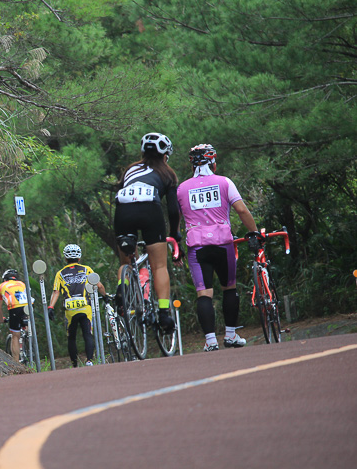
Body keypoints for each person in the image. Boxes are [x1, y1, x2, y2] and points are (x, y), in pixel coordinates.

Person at [177, 144, 262, 351]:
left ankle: (210, 341)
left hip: (197, 247)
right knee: (229, 288)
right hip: (223, 243)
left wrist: (175, 246)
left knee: (204, 293)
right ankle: (231, 335)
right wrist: (254, 232)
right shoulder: (224, 182)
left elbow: (176, 220)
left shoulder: (182, 188)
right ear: (213, 162)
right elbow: (241, 209)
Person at [113, 132, 181, 334]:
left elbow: (119, 190)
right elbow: (173, 210)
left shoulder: (130, 169)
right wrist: (175, 234)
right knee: (159, 265)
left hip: (123, 210)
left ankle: (121, 289)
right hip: (150, 209)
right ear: (165, 154)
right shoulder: (167, 173)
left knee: (125, 262)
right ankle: (163, 313)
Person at [47, 244, 108, 367]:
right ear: (79, 258)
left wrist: (50, 307)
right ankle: (89, 360)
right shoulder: (87, 269)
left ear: (65, 258)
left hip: (70, 310)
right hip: (85, 307)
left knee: (71, 337)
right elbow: (99, 286)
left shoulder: (60, 273)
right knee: (87, 333)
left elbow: (56, 292)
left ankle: (75, 364)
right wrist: (105, 297)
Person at [0, 269, 29, 363]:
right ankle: (28, 336)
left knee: (15, 335)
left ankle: (16, 363)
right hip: (28, 307)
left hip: (14, 308)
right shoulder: (22, 284)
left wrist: (1, 319)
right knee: (27, 327)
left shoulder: (0, 287)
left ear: (4, 279)